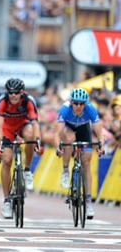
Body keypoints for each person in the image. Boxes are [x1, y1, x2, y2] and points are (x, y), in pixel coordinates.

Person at [54, 88, 104, 219]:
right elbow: (57, 133)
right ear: (71, 103)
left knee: (86, 164)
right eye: (75, 103)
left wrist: (100, 146)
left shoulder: (90, 109)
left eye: (81, 104)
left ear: (85, 104)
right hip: (68, 128)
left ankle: (88, 202)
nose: (78, 106)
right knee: (69, 140)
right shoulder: (65, 109)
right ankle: (65, 170)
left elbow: (100, 133)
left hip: (83, 130)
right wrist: (57, 147)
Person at [0, 78, 41, 219]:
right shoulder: (2, 101)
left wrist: (37, 139)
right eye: (11, 93)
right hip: (7, 129)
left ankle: (27, 170)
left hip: (23, 125)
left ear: (22, 92)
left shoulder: (29, 101)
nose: (13, 95)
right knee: (7, 160)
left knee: (30, 136)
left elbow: (35, 123)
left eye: (16, 93)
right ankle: (7, 200)